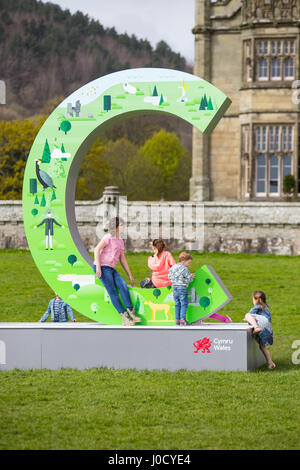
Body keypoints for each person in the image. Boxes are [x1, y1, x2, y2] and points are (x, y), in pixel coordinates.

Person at [93, 217, 140, 326]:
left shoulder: (120, 241)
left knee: (123, 285)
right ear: (116, 227)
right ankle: (124, 317)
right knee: (112, 291)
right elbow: (96, 249)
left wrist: (130, 275)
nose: (124, 227)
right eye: (122, 225)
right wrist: (98, 267)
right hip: (102, 267)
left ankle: (130, 312)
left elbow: (122, 259)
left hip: (111, 268)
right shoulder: (108, 237)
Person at [244, 290, 275, 370]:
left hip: (261, 325)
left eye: (253, 299)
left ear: (257, 300)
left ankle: (256, 328)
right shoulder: (266, 307)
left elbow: (249, 315)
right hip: (267, 327)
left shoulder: (257, 306)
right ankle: (270, 363)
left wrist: (247, 319)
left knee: (247, 315)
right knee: (262, 347)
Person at [168, 252, 195, 326]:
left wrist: (174, 282)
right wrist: (191, 276)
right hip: (182, 288)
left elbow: (169, 276)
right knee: (184, 304)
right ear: (183, 261)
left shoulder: (173, 267)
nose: (189, 264)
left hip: (175, 288)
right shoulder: (184, 269)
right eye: (188, 263)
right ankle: (183, 320)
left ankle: (177, 321)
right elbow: (189, 278)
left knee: (177, 304)